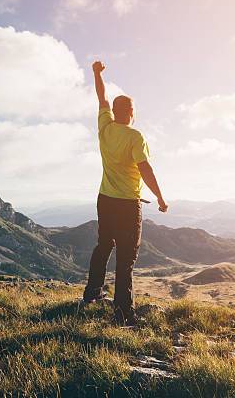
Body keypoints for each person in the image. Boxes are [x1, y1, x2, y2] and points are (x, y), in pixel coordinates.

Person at [83, 60, 168, 325]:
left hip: (105, 199)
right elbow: (145, 169)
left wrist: (96, 74)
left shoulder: (105, 128)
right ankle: (122, 314)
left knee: (104, 245)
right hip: (128, 205)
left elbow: (101, 96)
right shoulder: (135, 137)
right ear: (131, 111)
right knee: (126, 258)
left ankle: (92, 293)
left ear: (115, 111)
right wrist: (160, 197)